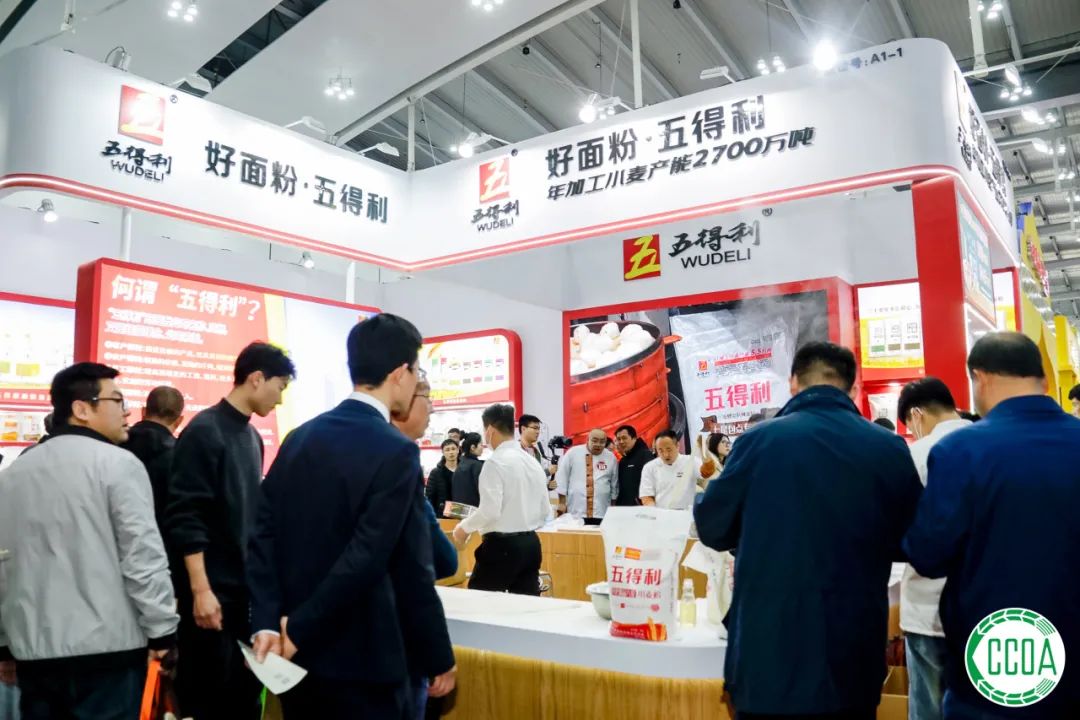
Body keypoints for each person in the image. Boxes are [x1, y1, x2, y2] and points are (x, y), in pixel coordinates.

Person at [694, 341, 923, 719]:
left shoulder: (758, 441)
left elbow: (712, 528)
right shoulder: (887, 447)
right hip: (851, 657)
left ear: (793, 382)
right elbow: (913, 541)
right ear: (853, 388)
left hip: (768, 656)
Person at [248, 315, 455, 719]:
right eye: (417, 371)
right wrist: (438, 655)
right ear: (400, 373)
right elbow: (383, 559)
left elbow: (263, 535)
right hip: (366, 666)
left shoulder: (300, 437)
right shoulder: (396, 451)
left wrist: (271, 623)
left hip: (298, 665)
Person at [904, 332, 1080, 720]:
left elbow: (929, 555)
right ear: (1043, 379)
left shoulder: (961, 450)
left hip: (998, 649)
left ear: (979, 378)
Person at [0, 363, 178, 719]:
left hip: (34, 655)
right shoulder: (119, 465)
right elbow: (141, 556)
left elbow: (5, 565)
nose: (126, 412)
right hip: (108, 654)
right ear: (81, 409)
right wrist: (162, 631)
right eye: (117, 400)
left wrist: (5, 644)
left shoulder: (13, 475)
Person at [165, 342, 295, 720]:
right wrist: (200, 590)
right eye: (279, 387)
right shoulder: (205, 431)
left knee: (242, 698)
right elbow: (186, 516)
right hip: (211, 597)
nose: (280, 399)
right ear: (256, 379)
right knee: (208, 699)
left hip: (242, 597)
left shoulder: (251, 437)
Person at [894, 378, 971, 720]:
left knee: (928, 707)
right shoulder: (990, 444)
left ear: (916, 415)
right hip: (984, 604)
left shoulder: (915, 455)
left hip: (927, 608)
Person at [390, 378, 459, 720]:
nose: (432, 407)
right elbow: (437, 561)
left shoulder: (310, 441)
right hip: (393, 645)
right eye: (427, 397)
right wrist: (440, 655)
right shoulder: (398, 458)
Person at [453, 404, 550, 595]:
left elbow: (490, 511)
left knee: (480, 603)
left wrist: (463, 529)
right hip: (531, 544)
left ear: (489, 430)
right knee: (527, 607)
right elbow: (545, 510)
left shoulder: (495, 463)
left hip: (502, 547)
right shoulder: (532, 462)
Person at [122, 385, 185, 528]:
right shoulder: (181, 455)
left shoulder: (116, 443)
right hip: (160, 535)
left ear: (143, 411)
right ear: (179, 420)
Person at [555, 428, 618, 522]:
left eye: (602, 442)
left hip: (601, 511)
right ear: (588, 439)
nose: (598, 444)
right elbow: (562, 478)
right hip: (577, 511)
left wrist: (613, 507)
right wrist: (562, 503)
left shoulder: (611, 457)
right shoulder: (573, 453)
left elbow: (614, 484)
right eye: (594, 441)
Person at [639, 430, 701, 510]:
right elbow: (646, 496)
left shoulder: (692, 461)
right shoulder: (649, 467)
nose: (665, 455)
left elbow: (708, 478)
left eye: (669, 450)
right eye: (660, 450)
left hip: (687, 513)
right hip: (663, 514)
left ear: (677, 446)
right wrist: (653, 511)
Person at [613, 425, 652, 506]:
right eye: (619, 439)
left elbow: (652, 483)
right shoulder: (623, 461)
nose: (621, 442)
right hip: (625, 509)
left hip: (641, 508)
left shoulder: (645, 455)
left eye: (624, 438)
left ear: (634, 438)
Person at [426, 439, 458, 517]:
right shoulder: (436, 473)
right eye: (447, 450)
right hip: (442, 514)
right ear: (443, 452)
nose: (451, 452)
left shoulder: (464, 470)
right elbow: (430, 496)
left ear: (458, 450)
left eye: (453, 449)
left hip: (461, 513)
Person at [450, 432, 484, 507]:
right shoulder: (476, 465)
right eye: (481, 444)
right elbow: (482, 491)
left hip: (459, 509)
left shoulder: (461, 463)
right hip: (474, 509)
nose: (483, 447)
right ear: (472, 447)